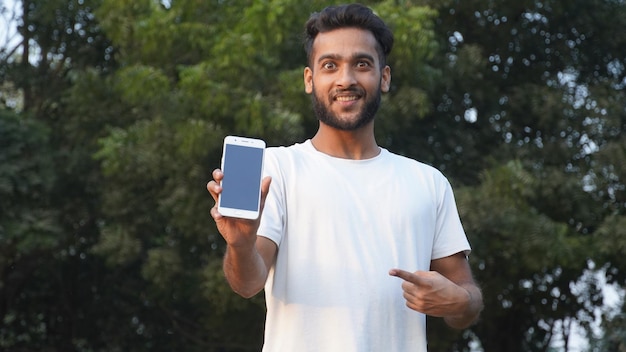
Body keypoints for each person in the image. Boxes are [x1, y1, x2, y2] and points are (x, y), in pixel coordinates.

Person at [207, 3, 483, 351]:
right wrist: (240, 244)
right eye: (330, 65)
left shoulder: (428, 183)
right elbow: (247, 283)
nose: (346, 79)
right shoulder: (276, 169)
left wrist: (460, 302)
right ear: (310, 80)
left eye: (362, 64)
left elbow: (467, 299)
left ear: (384, 77)